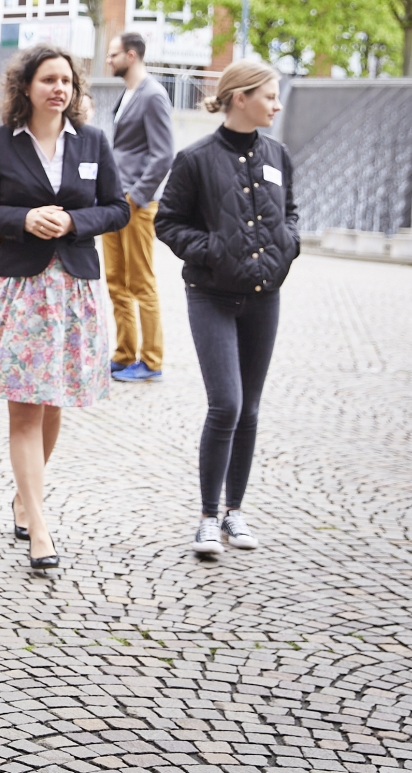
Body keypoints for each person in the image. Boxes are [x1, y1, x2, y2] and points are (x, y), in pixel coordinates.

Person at [0, 45, 129, 572]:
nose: (59, 89)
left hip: (72, 290)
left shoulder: (94, 141)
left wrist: (77, 223)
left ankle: (22, 500)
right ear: (26, 87)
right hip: (21, 292)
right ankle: (39, 522)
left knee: (53, 403)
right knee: (25, 408)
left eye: (67, 82)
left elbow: (118, 209)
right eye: (49, 80)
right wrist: (24, 219)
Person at [154, 60, 296, 560]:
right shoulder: (195, 159)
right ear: (240, 97)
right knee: (227, 404)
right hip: (211, 295)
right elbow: (167, 223)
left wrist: (288, 245)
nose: (277, 105)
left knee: (251, 408)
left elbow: (291, 213)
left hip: (264, 296)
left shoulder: (278, 154)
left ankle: (236, 511)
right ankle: (207, 518)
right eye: (270, 96)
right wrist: (212, 250)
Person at [103, 32, 175, 383]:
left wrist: (135, 198)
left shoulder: (153, 95)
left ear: (131, 56)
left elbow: (163, 155)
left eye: (113, 54)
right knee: (116, 280)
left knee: (141, 282)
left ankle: (151, 360)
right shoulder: (128, 94)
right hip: (116, 202)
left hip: (136, 204)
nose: (108, 60)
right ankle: (124, 352)